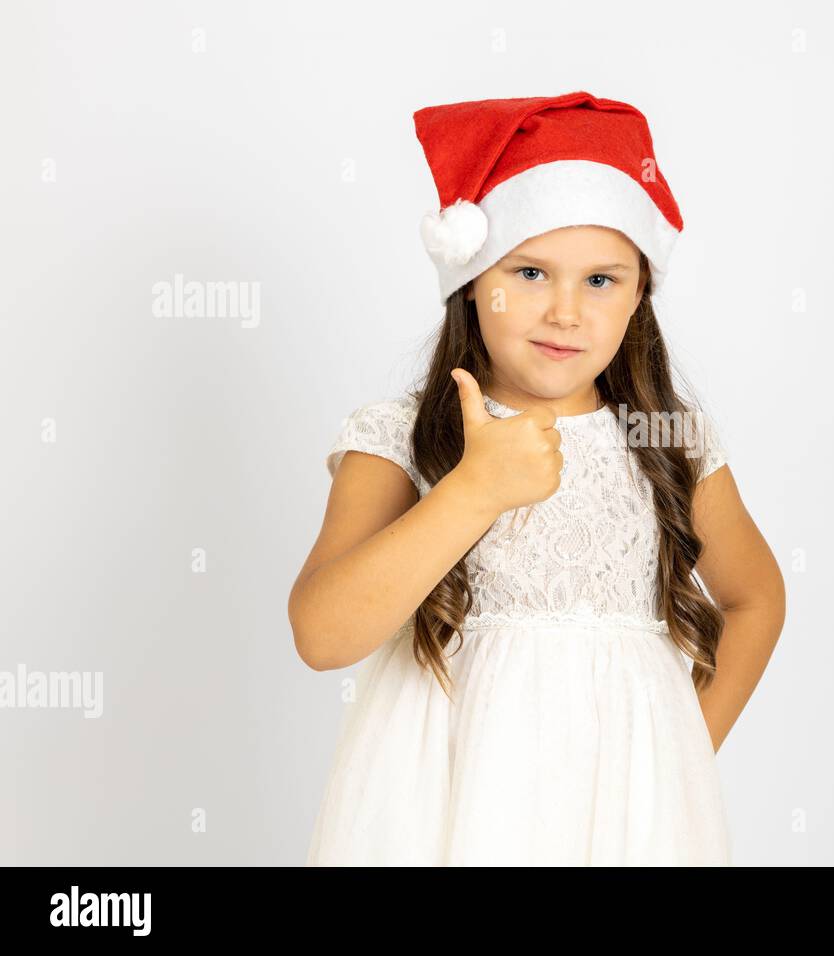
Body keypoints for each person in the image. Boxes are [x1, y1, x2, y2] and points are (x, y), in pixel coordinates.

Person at [289, 91, 785, 865]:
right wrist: (473, 490)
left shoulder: (668, 444)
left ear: (639, 295)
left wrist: (680, 759)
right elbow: (323, 636)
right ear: (472, 278)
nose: (564, 311)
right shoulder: (402, 438)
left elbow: (756, 597)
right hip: (448, 816)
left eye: (601, 280)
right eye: (529, 272)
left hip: (620, 827)